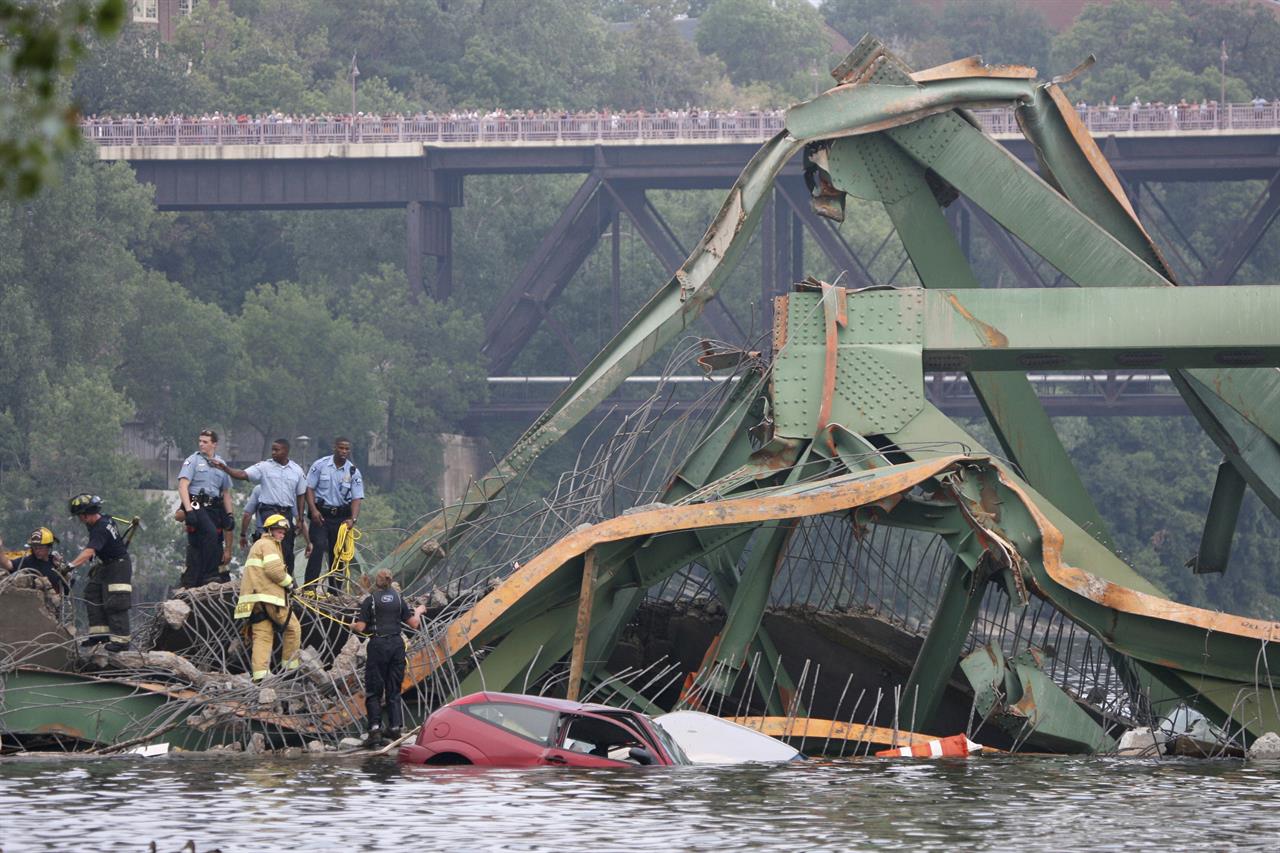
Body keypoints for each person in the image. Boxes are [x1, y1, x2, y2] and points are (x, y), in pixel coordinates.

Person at [352, 568, 425, 746]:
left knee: (374, 690)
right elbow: (414, 624)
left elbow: (360, 628)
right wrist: (419, 611)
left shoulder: (371, 601)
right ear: (391, 581)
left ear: (376, 582)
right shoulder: (399, 600)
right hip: (397, 646)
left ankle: (375, 730)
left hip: (378, 645)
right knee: (394, 689)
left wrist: (351, 625)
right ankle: (394, 728)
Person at [215, 438, 308, 575]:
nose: (273, 453)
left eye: (277, 450)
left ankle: (287, 582)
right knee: (272, 543)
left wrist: (300, 518)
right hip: (269, 511)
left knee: (287, 550)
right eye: (272, 450)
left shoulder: (297, 470)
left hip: (286, 512)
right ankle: (267, 574)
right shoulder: (264, 467)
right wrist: (226, 468)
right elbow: (242, 474)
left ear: (286, 451)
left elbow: (301, 495)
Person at [233, 513, 301, 682]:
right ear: (269, 530)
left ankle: (260, 676)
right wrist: (290, 583)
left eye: (284, 532)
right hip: (269, 598)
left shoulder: (258, 545)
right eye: (279, 530)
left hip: (253, 600)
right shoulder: (268, 544)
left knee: (263, 635)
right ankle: (290, 670)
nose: (282, 534)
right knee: (293, 628)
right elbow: (274, 570)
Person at [65, 494, 132, 651]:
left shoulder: (100, 527)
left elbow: (89, 551)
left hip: (118, 567)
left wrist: (70, 566)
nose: (80, 520)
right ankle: (100, 634)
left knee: (116, 602)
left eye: (80, 516)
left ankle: (121, 642)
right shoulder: (101, 521)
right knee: (92, 591)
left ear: (86, 514)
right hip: (107, 565)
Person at [303, 437, 363, 592]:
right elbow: (309, 488)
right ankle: (310, 588)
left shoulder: (353, 471)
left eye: (347, 449)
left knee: (338, 554)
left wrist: (353, 519)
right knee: (319, 546)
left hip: (341, 518)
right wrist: (313, 510)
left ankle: (334, 592)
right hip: (321, 516)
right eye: (341, 448)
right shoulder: (320, 465)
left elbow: (357, 498)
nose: (344, 452)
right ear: (334, 447)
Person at [177, 428, 234, 588]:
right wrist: (188, 511)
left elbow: (226, 493)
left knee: (217, 537)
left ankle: (214, 571)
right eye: (200, 441)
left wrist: (229, 515)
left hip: (214, 506)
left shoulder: (221, 464)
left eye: (205, 442)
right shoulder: (193, 460)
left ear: (214, 444)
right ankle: (209, 575)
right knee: (209, 532)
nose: (201, 444)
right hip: (195, 502)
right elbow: (182, 486)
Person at [0, 528, 72, 594]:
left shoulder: (56, 563)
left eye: (40, 548)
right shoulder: (28, 561)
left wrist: (64, 571)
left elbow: (66, 587)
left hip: (52, 605)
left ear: (49, 547)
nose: (37, 551)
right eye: (35, 548)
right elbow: (8, 565)